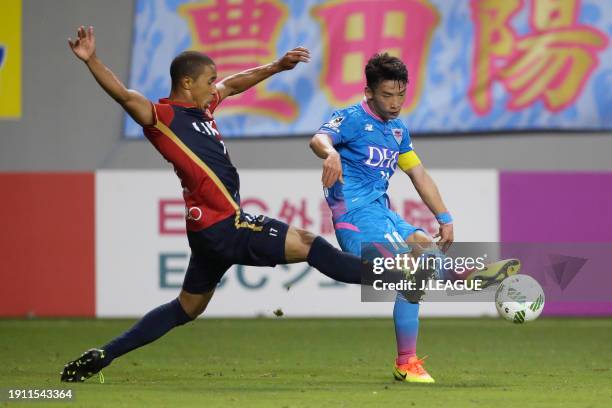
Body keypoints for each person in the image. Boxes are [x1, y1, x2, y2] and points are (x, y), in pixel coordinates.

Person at [60, 26, 365, 383]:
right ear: (187, 83)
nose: (214, 87)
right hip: (226, 226)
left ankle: (104, 354)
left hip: (208, 232)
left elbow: (234, 84)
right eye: (209, 81)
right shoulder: (162, 117)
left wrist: (276, 67)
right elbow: (124, 96)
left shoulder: (203, 110)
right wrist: (92, 59)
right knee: (311, 244)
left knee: (186, 307)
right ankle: (396, 275)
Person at [310, 53, 520, 383]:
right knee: (413, 270)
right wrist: (331, 152)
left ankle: (462, 280)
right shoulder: (351, 118)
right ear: (369, 93)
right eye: (386, 95)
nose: (395, 103)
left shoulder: (397, 130)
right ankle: (407, 361)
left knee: (426, 249)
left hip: (383, 213)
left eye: (400, 95)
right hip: (356, 216)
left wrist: (445, 217)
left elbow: (418, 173)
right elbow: (318, 138)